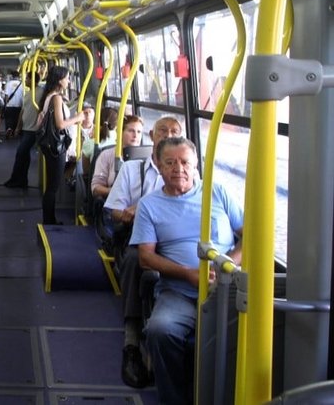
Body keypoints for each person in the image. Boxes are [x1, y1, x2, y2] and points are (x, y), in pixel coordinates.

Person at [130, 137, 243, 405]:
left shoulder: (218, 193)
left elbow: (249, 235)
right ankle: (174, 399)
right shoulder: (149, 205)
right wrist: (188, 274)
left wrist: (230, 265)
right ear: (158, 166)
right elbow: (146, 257)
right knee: (160, 330)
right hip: (179, 290)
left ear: (196, 167)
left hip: (226, 288)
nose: (178, 169)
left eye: (185, 163)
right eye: (170, 163)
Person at [103, 116, 183, 389]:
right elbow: (113, 210)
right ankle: (132, 339)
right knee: (136, 260)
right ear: (152, 135)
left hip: (175, 241)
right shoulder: (132, 170)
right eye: (163, 131)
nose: (168, 135)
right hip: (140, 240)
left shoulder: (187, 174)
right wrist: (131, 213)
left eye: (175, 132)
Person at [37, 66, 86, 225]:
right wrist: (77, 118)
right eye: (67, 78)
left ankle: (49, 218)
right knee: (52, 186)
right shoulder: (56, 98)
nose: (68, 81)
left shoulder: (50, 96)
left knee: (52, 184)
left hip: (49, 146)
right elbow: (60, 124)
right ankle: (49, 220)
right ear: (59, 80)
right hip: (55, 147)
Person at [3, 71, 46, 189]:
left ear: (33, 80)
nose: (25, 81)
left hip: (33, 129)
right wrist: (18, 126)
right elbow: (23, 111)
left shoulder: (41, 93)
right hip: (25, 127)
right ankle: (23, 180)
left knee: (20, 153)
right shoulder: (27, 94)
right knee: (25, 155)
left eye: (27, 79)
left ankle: (15, 179)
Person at [90, 115, 143, 198]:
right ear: (120, 132)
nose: (136, 135)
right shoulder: (106, 155)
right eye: (131, 131)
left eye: (139, 132)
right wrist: (116, 192)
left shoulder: (146, 157)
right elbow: (96, 188)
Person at [2, 70, 23, 138]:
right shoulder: (21, 84)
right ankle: (15, 131)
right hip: (18, 104)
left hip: (10, 104)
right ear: (19, 76)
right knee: (16, 118)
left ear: (12, 76)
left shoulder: (8, 83)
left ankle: (9, 128)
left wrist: (6, 103)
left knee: (9, 118)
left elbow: (6, 95)